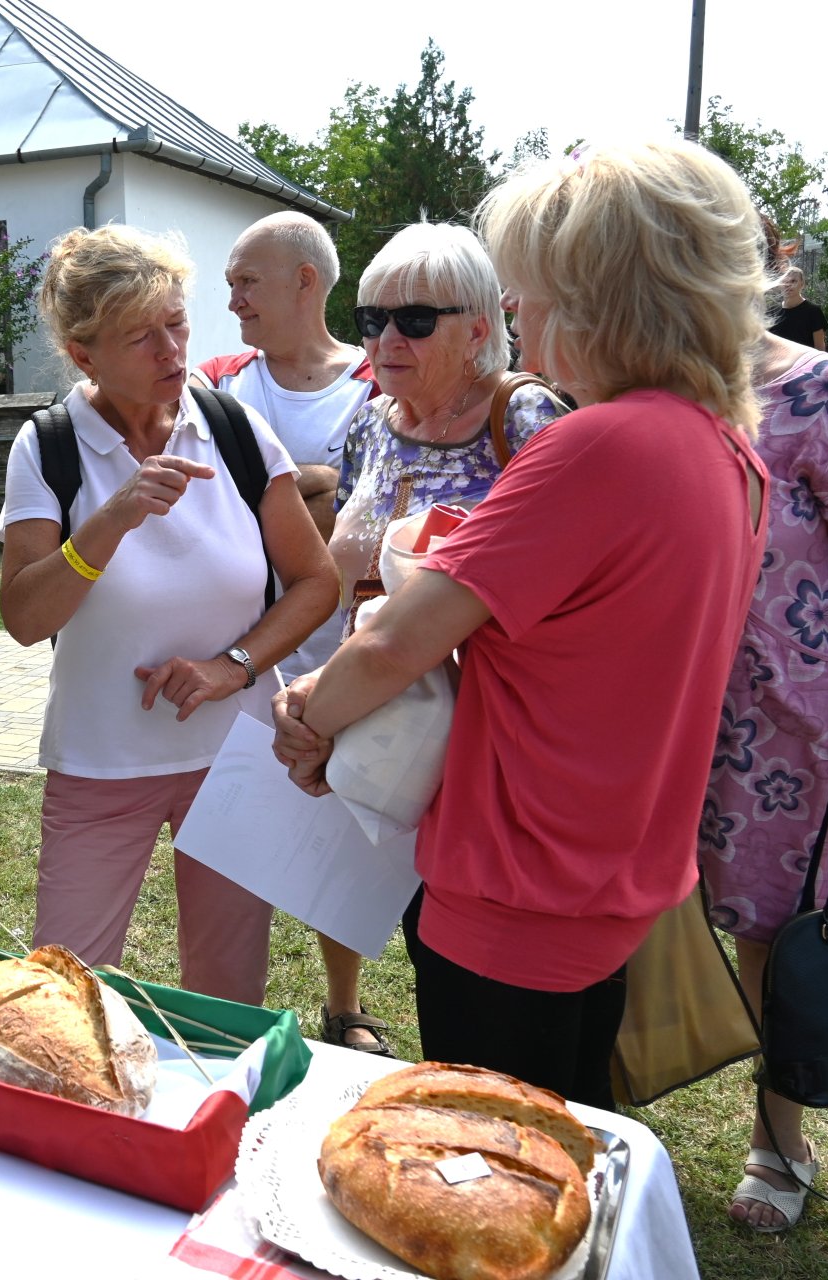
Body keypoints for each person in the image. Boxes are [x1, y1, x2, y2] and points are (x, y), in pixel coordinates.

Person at [273, 139, 771, 1111]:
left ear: (602, 297)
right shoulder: (727, 450)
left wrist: (307, 712)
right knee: (562, 1160)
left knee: (489, 1180)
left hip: (513, 887)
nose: (519, 312)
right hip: (609, 879)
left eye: (532, 288)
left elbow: (394, 640)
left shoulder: (596, 444)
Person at [0, 225, 338, 1003]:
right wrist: (109, 521)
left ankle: (209, 1126)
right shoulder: (47, 446)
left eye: (177, 324)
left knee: (226, 998)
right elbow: (20, 615)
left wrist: (232, 668)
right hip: (100, 763)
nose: (171, 351)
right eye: (140, 336)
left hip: (233, 758)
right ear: (84, 356)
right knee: (64, 993)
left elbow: (316, 583)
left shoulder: (232, 428)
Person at [308, 222, 563, 1056]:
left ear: (480, 328)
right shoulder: (372, 420)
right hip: (388, 711)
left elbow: (567, 581)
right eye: (372, 314)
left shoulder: (524, 415)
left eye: (415, 320)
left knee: (463, 944)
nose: (384, 337)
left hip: (488, 732)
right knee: (387, 899)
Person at [703, 267, 828, 1230]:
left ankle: (779, 1140)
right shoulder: (634, 382)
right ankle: (593, 1099)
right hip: (651, 705)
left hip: (782, 716)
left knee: (775, 933)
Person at [197, 210, 374, 556]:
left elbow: (385, 512)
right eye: (231, 284)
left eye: (248, 280)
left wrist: (246, 490)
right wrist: (321, 480)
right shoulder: (214, 379)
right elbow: (194, 493)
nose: (233, 303)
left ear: (304, 280)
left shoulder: (379, 387)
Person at [768, 265, 828, 350]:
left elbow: (820, 349)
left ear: (802, 284)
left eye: (793, 281)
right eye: (784, 281)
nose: (788, 285)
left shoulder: (813, 312)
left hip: (805, 362)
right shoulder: (772, 312)